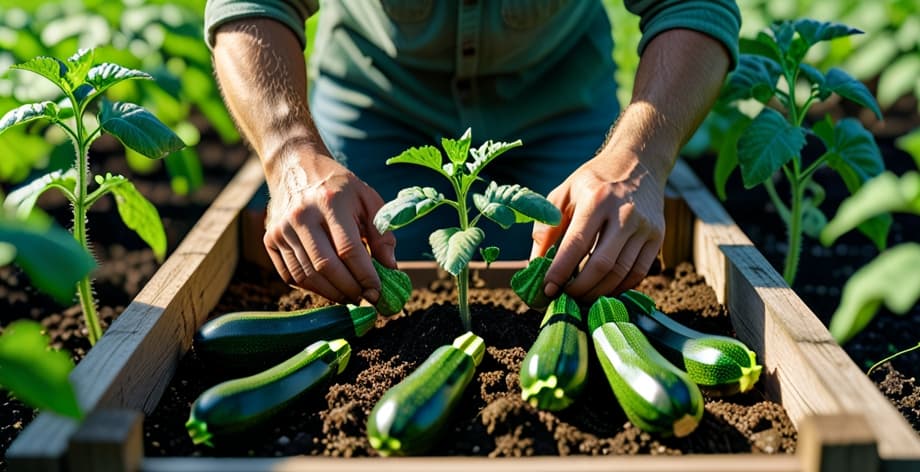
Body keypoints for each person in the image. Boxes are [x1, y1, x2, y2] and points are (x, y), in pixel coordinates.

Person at [204, 0, 740, 307]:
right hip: (377, 104)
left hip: (560, 108)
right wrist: (291, 153)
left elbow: (692, 5)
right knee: (347, 281)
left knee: (591, 283)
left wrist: (640, 160)